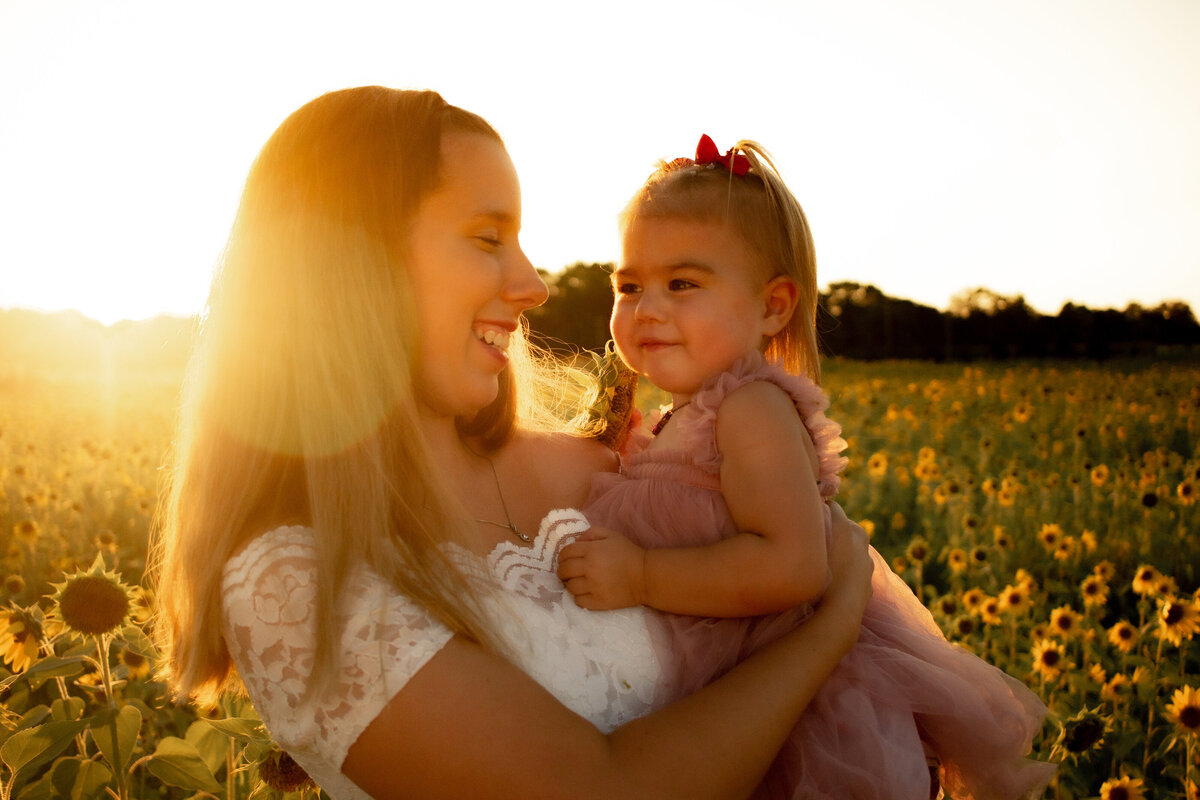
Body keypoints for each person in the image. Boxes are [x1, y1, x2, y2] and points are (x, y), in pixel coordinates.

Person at [151, 87, 876, 800]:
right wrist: (826, 631)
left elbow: (786, 581)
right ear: (352, 268)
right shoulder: (295, 582)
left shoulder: (617, 471)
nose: (532, 286)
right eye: (487, 238)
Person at [557, 136, 1056, 800]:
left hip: (798, 715)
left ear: (773, 306)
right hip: (719, 693)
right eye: (629, 284)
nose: (647, 307)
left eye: (682, 283)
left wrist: (642, 573)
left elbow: (793, 567)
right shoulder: (673, 422)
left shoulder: (752, 408)